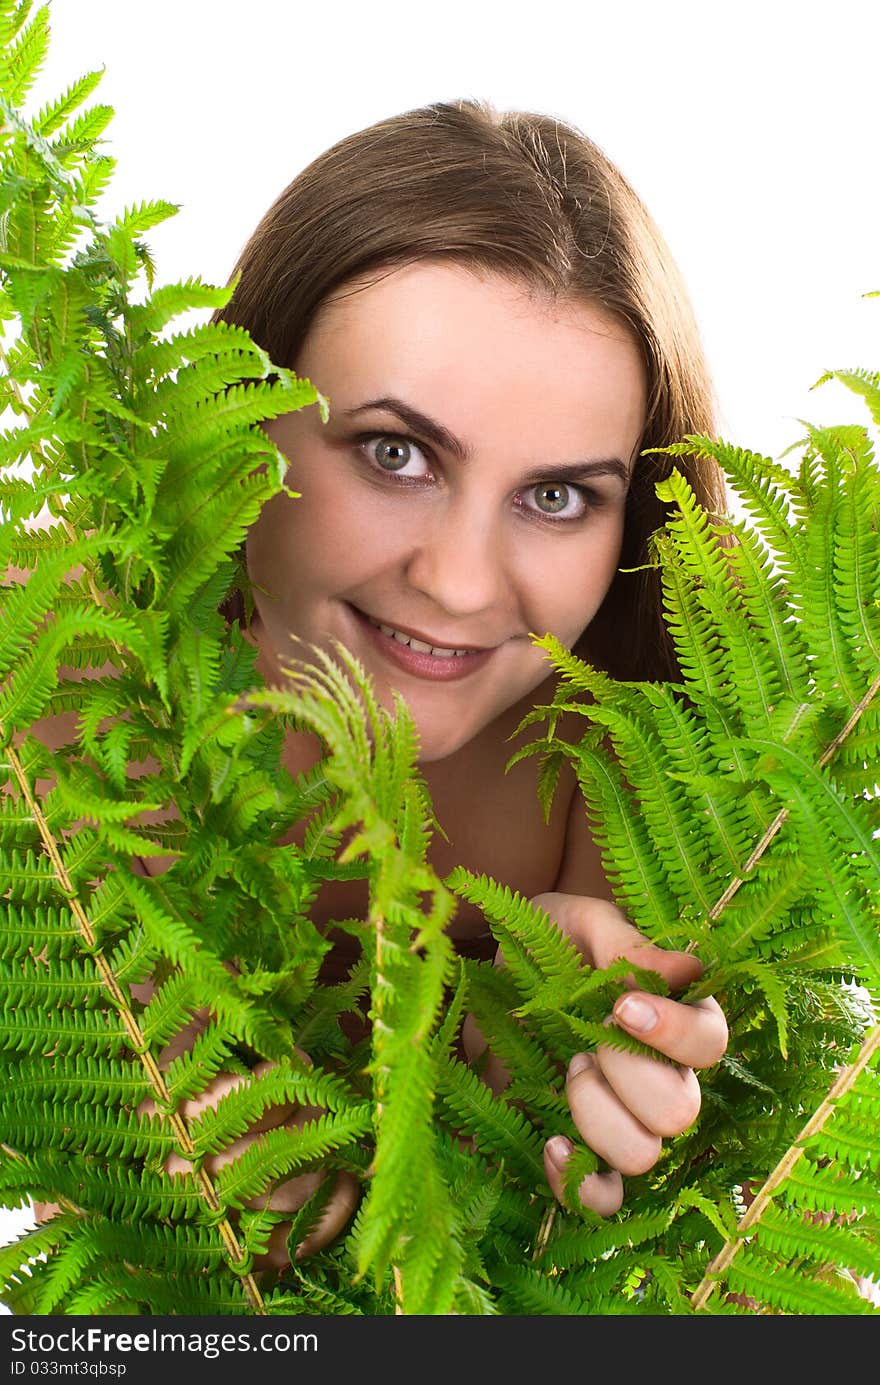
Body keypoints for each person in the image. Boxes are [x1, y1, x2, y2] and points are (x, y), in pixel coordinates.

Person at [38, 99, 731, 1275]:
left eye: (556, 495)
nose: (459, 584)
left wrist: (578, 1076)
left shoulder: (645, 747)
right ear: (235, 409)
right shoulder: (47, 666)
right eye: (395, 452)